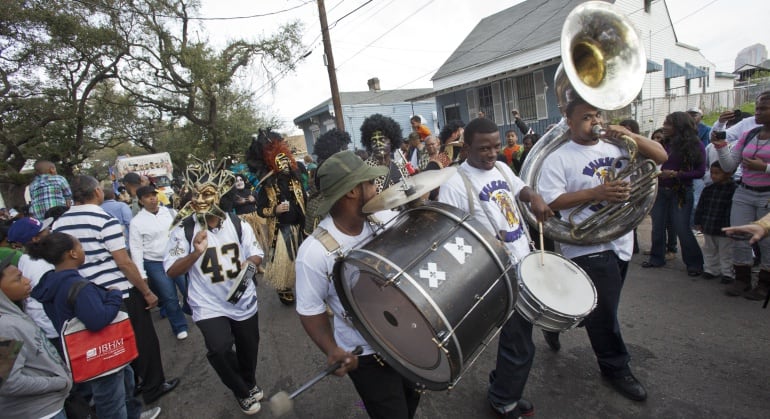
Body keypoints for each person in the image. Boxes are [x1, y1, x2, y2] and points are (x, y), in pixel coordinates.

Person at [537, 95, 667, 402]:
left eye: (596, 115)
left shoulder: (617, 146)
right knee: (605, 309)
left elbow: (660, 157)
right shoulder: (558, 157)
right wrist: (596, 192)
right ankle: (615, 367)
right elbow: (551, 202)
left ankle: (554, 321)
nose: (594, 122)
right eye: (585, 117)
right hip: (584, 242)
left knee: (596, 304)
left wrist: (631, 135)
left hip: (620, 238)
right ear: (568, 121)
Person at [438, 117, 553, 418]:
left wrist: (535, 197)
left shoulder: (501, 167)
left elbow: (519, 189)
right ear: (466, 148)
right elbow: (453, 239)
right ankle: (503, 399)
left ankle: (503, 386)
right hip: (497, 274)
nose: (492, 154)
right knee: (520, 343)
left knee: (518, 338)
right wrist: (489, 242)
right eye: (483, 149)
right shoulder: (454, 183)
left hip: (522, 260)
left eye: (496, 146)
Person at [295, 150, 419, 418]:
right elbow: (310, 310)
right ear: (353, 191)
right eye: (370, 183)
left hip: (406, 337)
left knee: (411, 400)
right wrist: (333, 349)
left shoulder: (384, 219)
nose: (376, 188)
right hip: (366, 352)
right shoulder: (314, 252)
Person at [52, 175, 179, 405]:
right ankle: (153, 385)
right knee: (143, 339)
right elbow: (123, 261)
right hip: (119, 292)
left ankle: (132, 386)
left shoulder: (60, 223)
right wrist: (146, 290)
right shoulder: (103, 219)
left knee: (110, 345)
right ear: (97, 192)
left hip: (85, 295)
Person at [165, 161, 264, 415]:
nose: (200, 199)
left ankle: (249, 382)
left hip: (242, 299)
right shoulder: (184, 230)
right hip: (207, 303)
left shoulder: (238, 224)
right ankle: (242, 390)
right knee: (219, 349)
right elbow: (172, 271)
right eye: (196, 194)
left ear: (220, 196)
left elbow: (256, 255)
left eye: (207, 194)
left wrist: (249, 265)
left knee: (248, 347)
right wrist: (194, 253)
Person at [28, 233, 161, 419]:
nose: (83, 251)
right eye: (80, 247)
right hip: (101, 352)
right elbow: (97, 320)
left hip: (86, 351)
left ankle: (133, 414)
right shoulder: (77, 285)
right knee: (111, 397)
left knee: (125, 381)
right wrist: (114, 296)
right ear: (72, 254)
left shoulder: (51, 280)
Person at [0, 253, 72, 419]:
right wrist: (57, 383)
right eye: (18, 279)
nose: (27, 281)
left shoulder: (13, 316)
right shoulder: (5, 327)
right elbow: (9, 383)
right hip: (41, 412)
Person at [714, 90, 770, 300]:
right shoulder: (750, 135)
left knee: (766, 241)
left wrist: (764, 168)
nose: (758, 112)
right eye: (757, 108)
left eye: (764, 108)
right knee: (738, 236)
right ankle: (742, 279)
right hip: (744, 192)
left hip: (767, 196)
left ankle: (764, 283)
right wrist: (720, 147)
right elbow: (729, 164)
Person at [642, 111, 706, 276]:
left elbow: (700, 172)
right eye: (665, 122)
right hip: (660, 190)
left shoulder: (695, 145)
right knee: (658, 226)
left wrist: (677, 174)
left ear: (680, 126)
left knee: (682, 228)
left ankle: (694, 263)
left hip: (681, 191)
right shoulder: (663, 144)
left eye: (669, 124)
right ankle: (657, 258)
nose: (664, 126)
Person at [130, 185, 189, 340]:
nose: (152, 199)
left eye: (154, 195)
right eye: (148, 197)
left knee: (188, 289)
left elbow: (182, 233)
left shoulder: (170, 213)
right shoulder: (137, 222)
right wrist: (141, 273)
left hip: (177, 258)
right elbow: (136, 249)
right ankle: (179, 326)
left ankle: (198, 312)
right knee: (169, 296)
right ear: (141, 201)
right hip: (156, 263)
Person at [256, 142, 307, 305]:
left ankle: (303, 286)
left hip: (299, 226)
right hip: (281, 229)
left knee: (301, 259)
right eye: (280, 161)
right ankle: (283, 287)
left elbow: (304, 200)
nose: (284, 164)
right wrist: (275, 210)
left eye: (286, 161)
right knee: (284, 260)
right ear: (273, 165)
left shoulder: (296, 181)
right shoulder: (268, 186)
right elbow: (260, 210)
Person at [694, 162, 737, 283]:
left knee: (726, 251)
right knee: (709, 249)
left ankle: (727, 273)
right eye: (712, 173)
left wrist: (730, 226)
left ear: (728, 174)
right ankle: (711, 270)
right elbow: (700, 207)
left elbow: (732, 211)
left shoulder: (734, 190)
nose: (713, 176)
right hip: (708, 225)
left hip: (724, 228)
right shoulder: (708, 189)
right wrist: (698, 221)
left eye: (717, 173)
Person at [642, 128, 678, 259]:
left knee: (671, 222)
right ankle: (657, 249)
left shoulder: (671, 152)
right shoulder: (649, 152)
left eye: (660, 138)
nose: (656, 140)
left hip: (672, 189)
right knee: (657, 223)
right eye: (655, 138)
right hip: (656, 189)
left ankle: (671, 249)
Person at [360, 114, 405, 194]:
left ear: (391, 141)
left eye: (382, 139)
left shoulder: (400, 167)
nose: (378, 143)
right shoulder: (365, 171)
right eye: (374, 141)